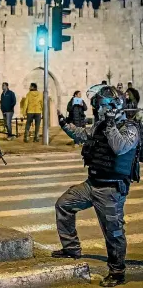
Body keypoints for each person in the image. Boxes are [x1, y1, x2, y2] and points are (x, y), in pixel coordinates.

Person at [53, 84, 141, 287]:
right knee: (64, 204)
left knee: (113, 232)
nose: (99, 109)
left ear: (114, 105)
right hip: (92, 184)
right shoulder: (101, 125)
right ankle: (71, 249)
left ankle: (117, 272)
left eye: (102, 105)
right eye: (99, 105)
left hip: (111, 190)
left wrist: (111, 123)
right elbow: (82, 134)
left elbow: (119, 147)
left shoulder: (129, 128)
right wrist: (65, 125)